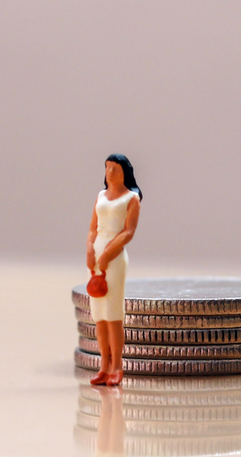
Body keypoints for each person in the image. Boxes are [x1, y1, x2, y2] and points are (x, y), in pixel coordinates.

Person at [86, 154, 141, 386]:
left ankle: (117, 366)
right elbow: (92, 228)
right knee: (99, 315)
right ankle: (104, 365)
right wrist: (90, 249)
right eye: (107, 168)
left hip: (115, 257)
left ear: (124, 172)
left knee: (114, 315)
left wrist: (109, 252)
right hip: (97, 255)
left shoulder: (131, 198)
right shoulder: (100, 196)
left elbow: (128, 232)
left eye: (115, 168)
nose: (110, 172)